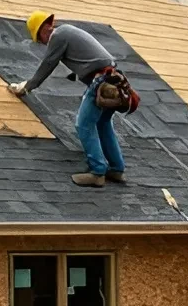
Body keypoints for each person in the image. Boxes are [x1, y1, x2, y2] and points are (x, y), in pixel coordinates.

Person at [8, 12, 130, 187]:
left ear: (43, 29)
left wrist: (27, 87)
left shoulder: (58, 36)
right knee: (103, 123)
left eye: (38, 38)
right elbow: (85, 55)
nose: (42, 43)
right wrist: (75, 72)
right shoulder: (67, 31)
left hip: (100, 82)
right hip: (114, 80)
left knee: (84, 124)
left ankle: (97, 172)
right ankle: (117, 169)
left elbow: (48, 64)